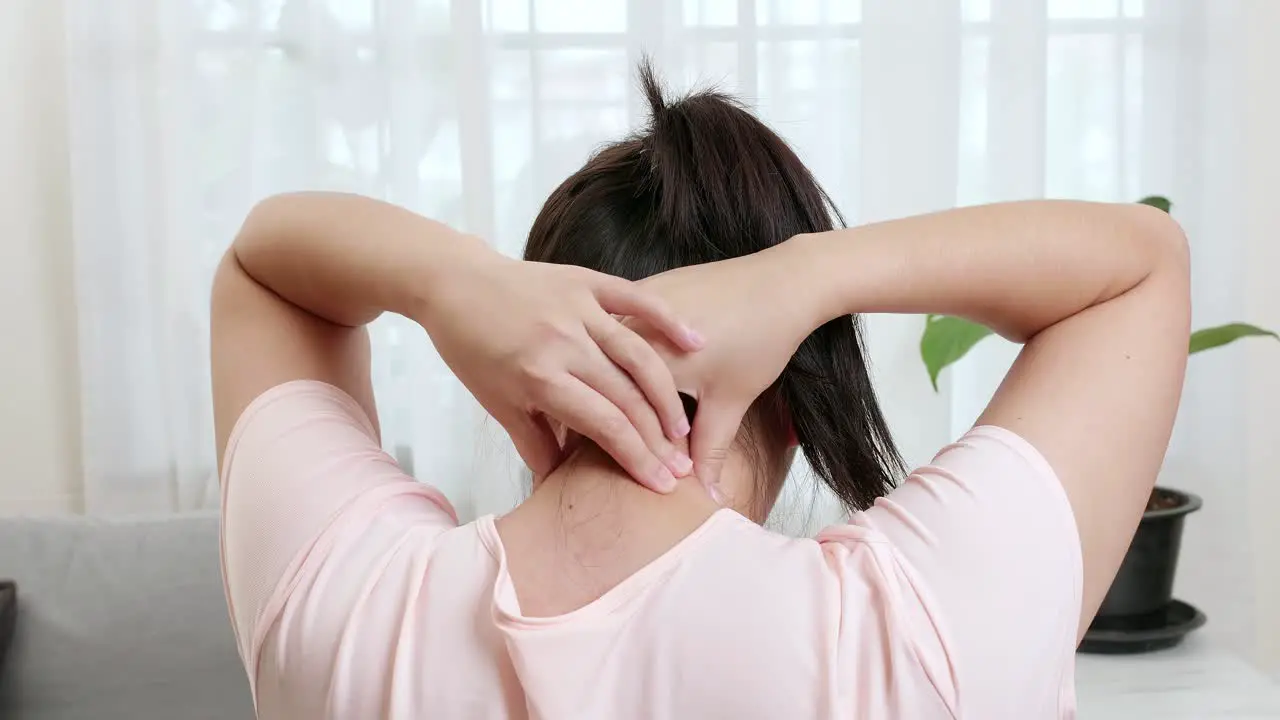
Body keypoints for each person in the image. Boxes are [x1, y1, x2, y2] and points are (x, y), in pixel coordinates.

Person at [212, 64, 1190, 719]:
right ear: (801, 394)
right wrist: (808, 274)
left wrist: (453, 282)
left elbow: (264, 267)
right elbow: (1137, 266)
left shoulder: (338, 610)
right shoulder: (916, 639)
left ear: (525, 379)